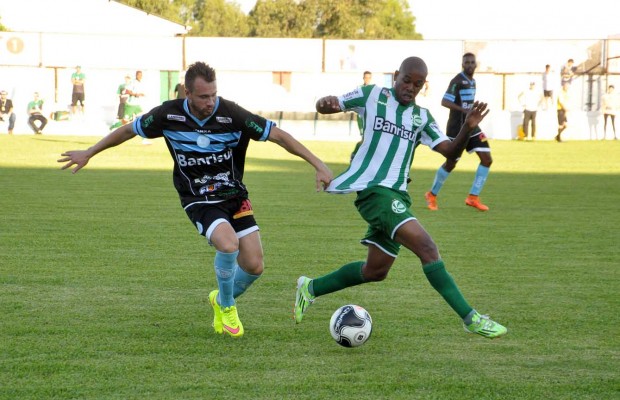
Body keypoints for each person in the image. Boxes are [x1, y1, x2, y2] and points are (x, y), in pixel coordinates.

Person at [58, 61, 333, 339]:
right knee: (228, 245)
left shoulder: (231, 113)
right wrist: (90, 152)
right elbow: (129, 130)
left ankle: (219, 297)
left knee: (254, 265)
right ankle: (227, 307)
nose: (210, 101)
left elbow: (278, 136)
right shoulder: (168, 115)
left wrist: (318, 164)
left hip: (234, 196)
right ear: (187, 93)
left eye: (213, 94)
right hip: (197, 197)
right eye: (203, 96)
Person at [293, 56, 507, 340]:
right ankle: (471, 318)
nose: (410, 88)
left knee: (375, 270)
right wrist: (326, 104)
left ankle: (311, 288)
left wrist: (467, 128)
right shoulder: (371, 95)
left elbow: (450, 152)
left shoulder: (422, 117)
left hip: (398, 195)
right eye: (406, 80)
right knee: (428, 249)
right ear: (396, 75)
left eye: (417, 85)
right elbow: (330, 104)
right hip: (374, 191)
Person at [424, 53, 492, 212]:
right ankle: (432, 194)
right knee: (451, 163)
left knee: (486, 158)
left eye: (472, 62)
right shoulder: (457, 81)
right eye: (466, 62)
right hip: (457, 128)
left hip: (472, 126)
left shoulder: (472, 81)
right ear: (462, 64)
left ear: (476, 65)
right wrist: (463, 111)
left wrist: (470, 116)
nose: (469, 65)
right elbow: (444, 101)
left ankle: (473, 197)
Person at [350, 71, 372, 161]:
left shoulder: (372, 89)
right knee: (364, 139)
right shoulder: (359, 89)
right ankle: (355, 154)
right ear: (363, 78)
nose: (367, 79)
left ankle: (362, 157)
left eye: (369, 78)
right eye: (365, 77)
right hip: (361, 118)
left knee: (369, 139)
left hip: (370, 118)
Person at [125, 70, 149, 144]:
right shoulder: (133, 82)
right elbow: (127, 91)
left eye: (141, 75)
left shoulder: (140, 83)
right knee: (125, 121)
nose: (140, 76)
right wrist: (136, 94)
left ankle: (144, 139)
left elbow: (138, 92)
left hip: (137, 105)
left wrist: (141, 94)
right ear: (136, 75)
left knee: (142, 120)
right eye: (139, 75)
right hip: (131, 104)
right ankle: (112, 128)